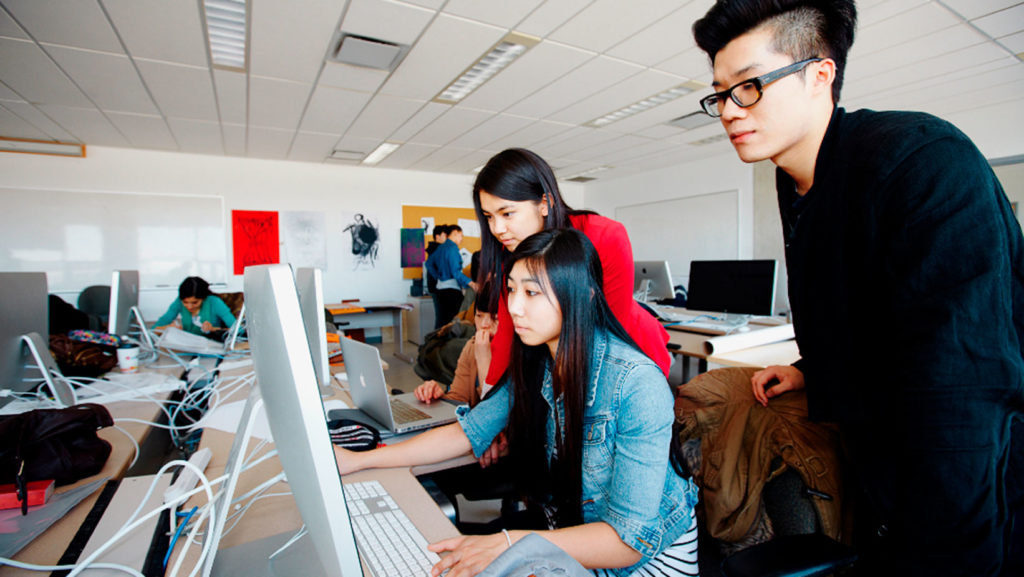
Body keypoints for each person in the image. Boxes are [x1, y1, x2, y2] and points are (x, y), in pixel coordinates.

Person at [693, 1, 1024, 575]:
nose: (728, 110)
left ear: (820, 74)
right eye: (719, 93)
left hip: (961, 498)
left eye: (748, 87)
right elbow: (864, 313)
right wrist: (809, 368)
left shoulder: (920, 162)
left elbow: (961, 397)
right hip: (878, 471)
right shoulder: (795, 178)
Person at [335, 229, 699, 577]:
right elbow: (468, 432)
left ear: (583, 295)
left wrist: (513, 544)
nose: (515, 308)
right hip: (564, 541)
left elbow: (627, 542)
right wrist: (359, 461)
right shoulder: (538, 360)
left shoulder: (636, 384)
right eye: (511, 290)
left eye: (532, 293)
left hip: (642, 564)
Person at [473, 148, 671, 392]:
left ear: (544, 204)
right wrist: (487, 398)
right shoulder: (512, 251)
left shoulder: (604, 236)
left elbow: (610, 326)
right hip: (562, 359)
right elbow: (507, 332)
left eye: (507, 213)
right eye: (489, 217)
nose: (497, 228)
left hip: (627, 356)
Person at [415, 282, 498, 406]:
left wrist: (483, 359)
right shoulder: (471, 346)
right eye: (479, 315)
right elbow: (458, 397)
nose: (484, 324)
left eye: (495, 318)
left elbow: (493, 414)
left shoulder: (518, 356)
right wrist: (438, 396)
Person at [426, 224, 476, 329]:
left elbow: (428, 264)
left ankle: (439, 344)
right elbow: (456, 272)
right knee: (455, 320)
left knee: (442, 320)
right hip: (451, 290)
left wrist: (437, 277)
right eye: (461, 236)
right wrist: (471, 283)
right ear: (455, 234)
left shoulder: (440, 248)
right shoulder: (453, 248)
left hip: (440, 289)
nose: (462, 239)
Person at [154, 276, 236, 340]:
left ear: (203, 298)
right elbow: (153, 330)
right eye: (185, 302)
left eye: (195, 302)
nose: (189, 306)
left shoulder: (215, 302)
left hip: (213, 347)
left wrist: (213, 329)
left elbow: (238, 330)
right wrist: (168, 328)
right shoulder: (179, 302)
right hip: (188, 348)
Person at [425, 224, 449, 329]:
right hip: (439, 287)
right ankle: (437, 343)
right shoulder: (438, 250)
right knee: (442, 318)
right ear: (437, 236)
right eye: (445, 235)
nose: (447, 238)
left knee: (442, 317)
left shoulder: (435, 249)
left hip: (437, 287)